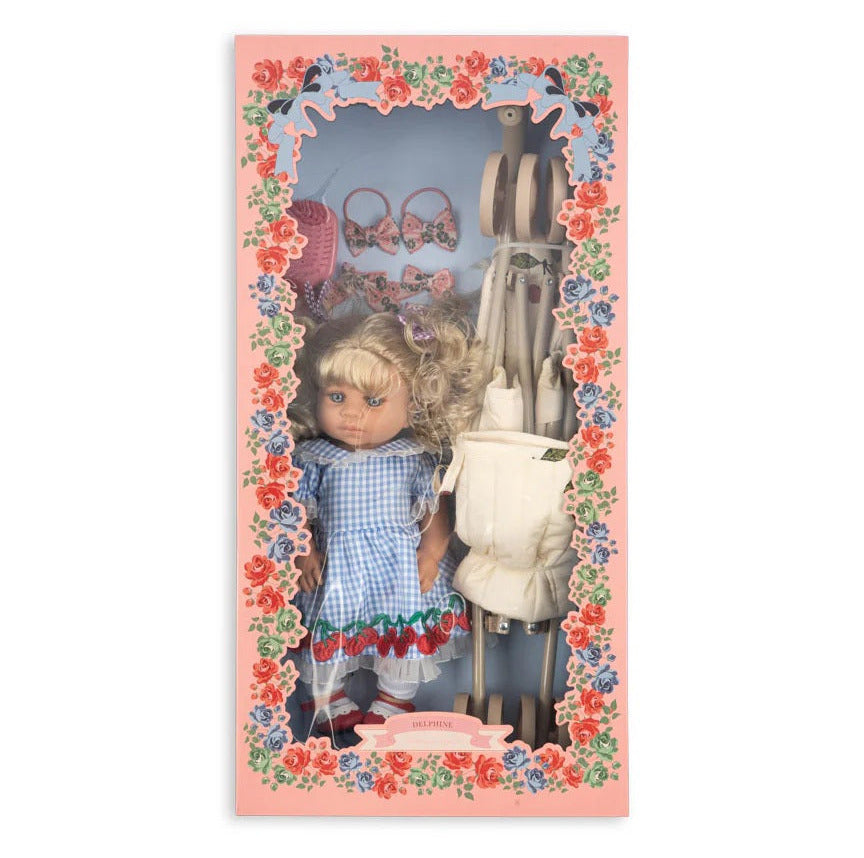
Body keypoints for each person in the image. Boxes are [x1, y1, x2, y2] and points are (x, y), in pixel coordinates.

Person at [287, 303, 484, 735]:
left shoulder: (412, 457)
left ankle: (393, 700)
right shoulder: (314, 459)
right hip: (338, 568)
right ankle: (328, 698)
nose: (352, 413)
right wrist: (304, 549)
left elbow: (433, 508)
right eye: (337, 397)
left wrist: (432, 553)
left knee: (401, 633)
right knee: (328, 628)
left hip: (398, 568)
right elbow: (296, 508)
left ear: (413, 404)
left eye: (373, 401)